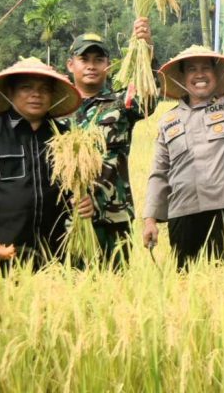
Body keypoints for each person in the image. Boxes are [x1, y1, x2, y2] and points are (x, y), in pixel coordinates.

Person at [143, 45, 224, 270]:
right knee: (187, 288)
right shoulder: (168, 121)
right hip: (184, 215)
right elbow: (159, 173)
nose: (199, 74)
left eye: (205, 68)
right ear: (182, 77)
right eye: (191, 69)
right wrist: (150, 220)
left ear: (217, 74)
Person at [0, 57, 83, 271]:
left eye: (44, 89)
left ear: (52, 96)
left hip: (56, 254)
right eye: (27, 87)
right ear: (9, 92)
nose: (36, 94)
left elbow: (76, 189)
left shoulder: (65, 137)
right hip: (2, 252)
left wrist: (83, 202)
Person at [64, 19, 156, 268]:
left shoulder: (120, 104)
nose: (91, 66)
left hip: (113, 218)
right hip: (67, 220)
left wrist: (146, 48)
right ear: (71, 64)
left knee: (113, 294)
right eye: (84, 60)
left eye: (98, 60)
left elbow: (148, 96)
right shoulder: (57, 110)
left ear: (107, 65)